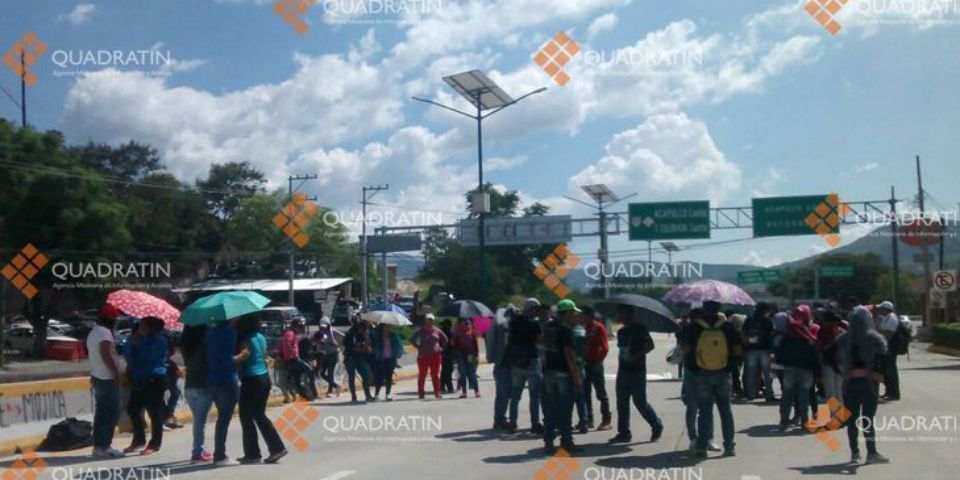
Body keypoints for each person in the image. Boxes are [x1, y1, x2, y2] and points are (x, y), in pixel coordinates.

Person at [681, 301, 742, 458]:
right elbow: (738, 349)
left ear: (704, 310)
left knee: (705, 410)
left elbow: (686, 349)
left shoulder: (695, 326)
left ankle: (702, 446)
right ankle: (729, 446)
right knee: (725, 410)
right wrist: (729, 364)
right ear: (718, 309)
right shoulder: (727, 326)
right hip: (723, 373)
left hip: (702, 373)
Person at [832, 306, 890, 464]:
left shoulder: (843, 338)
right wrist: (880, 374)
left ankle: (854, 453)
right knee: (868, 419)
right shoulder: (874, 337)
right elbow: (885, 355)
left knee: (852, 420)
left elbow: (830, 354)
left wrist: (840, 370)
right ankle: (871, 452)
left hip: (849, 382)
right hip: (869, 382)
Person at [235, 316, 288, 464]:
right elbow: (264, 356)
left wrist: (231, 359)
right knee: (259, 414)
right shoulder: (260, 337)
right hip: (264, 378)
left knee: (246, 416)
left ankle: (253, 454)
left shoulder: (244, 339)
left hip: (251, 379)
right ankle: (276, 448)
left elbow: (244, 357)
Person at [608, 305, 663, 444]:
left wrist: (637, 355)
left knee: (640, 402)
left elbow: (651, 346)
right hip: (623, 370)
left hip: (637, 371)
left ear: (629, 314)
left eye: (621, 313)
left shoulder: (640, 329)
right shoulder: (621, 332)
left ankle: (656, 425)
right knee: (622, 403)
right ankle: (624, 432)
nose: (619, 316)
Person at [540, 299, 583, 454]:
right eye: (573, 313)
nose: (574, 316)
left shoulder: (547, 327)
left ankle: (548, 441)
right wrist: (577, 378)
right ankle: (566, 441)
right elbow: (569, 355)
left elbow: (541, 343)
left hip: (548, 372)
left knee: (550, 409)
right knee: (565, 410)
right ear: (567, 313)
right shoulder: (566, 330)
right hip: (563, 374)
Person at [123, 317, 169, 455]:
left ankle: (155, 443)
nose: (140, 328)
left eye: (143, 326)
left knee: (154, 413)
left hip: (154, 378)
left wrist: (139, 344)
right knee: (132, 409)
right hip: (138, 378)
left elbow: (148, 356)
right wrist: (132, 342)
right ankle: (139, 439)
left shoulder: (159, 340)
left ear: (151, 328)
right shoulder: (137, 339)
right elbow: (128, 355)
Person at [775, 305, 821, 430]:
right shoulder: (809, 337)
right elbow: (814, 355)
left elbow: (779, 354)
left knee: (787, 396)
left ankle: (784, 421)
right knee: (804, 397)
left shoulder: (787, 337)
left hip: (789, 369)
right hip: (806, 370)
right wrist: (817, 371)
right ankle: (805, 422)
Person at [88, 305, 124, 458]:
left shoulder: (93, 332)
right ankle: (104, 446)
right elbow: (105, 355)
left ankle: (98, 446)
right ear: (110, 319)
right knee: (111, 413)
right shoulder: (105, 333)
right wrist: (115, 373)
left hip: (97, 376)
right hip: (107, 377)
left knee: (101, 413)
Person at [506, 298, 545, 434]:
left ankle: (513, 422)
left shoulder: (514, 322)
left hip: (516, 362)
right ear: (532, 309)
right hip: (532, 361)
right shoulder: (534, 323)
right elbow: (540, 340)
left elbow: (510, 339)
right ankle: (535, 423)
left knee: (515, 395)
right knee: (534, 395)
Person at [205, 319, 240, 466]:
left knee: (222, 418)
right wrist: (240, 356)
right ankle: (219, 454)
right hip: (227, 378)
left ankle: (219, 452)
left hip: (213, 378)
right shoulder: (230, 334)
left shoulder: (209, 334)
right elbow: (227, 359)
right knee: (224, 418)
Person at [181, 324, 213, 464]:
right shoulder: (206, 347)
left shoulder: (187, 349)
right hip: (203, 385)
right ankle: (197, 452)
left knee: (198, 421)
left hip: (189, 386)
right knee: (200, 422)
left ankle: (201, 449)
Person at [581, 306, 611, 431]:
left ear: (589, 316)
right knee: (585, 393)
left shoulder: (598, 327)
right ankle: (589, 419)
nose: (581, 318)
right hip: (584, 364)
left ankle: (606, 420)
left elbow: (604, 347)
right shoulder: (582, 328)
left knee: (601, 394)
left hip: (596, 364)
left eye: (583, 315)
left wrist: (599, 362)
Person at [487, 306, 514, 431]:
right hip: (504, 365)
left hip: (501, 364)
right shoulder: (504, 327)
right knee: (503, 394)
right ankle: (500, 420)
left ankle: (500, 419)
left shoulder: (498, 325)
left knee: (503, 394)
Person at [742, 303, 776, 402]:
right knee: (767, 374)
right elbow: (771, 335)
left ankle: (751, 394)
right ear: (765, 310)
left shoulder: (749, 320)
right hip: (765, 349)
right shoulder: (767, 320)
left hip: (751, 349)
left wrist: (747, 344)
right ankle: (769, 394)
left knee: (751, 373)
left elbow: (743, 333)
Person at [411, 314, 448, 399]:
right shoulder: (421, 331)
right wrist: (418, 347)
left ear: (433, 321)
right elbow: (412, 339)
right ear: (425, 320)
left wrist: (441, 348)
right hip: (423, 356)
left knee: (435, 375)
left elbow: (445, 339)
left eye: (431, 320)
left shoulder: (437, 330)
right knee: (422, 374)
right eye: (428, 320)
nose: (429, 322)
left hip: (435, 356)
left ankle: (437, 392)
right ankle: (421, 392)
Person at [816, 308, 845, 404]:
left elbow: (819, 347)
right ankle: (841, 417)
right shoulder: (842, 330)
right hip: (841, 363)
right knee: (839, 391)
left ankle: (835, 416)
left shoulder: (823, 330)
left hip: (828, 363)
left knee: (830, 392)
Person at [875, 301, 901, 401]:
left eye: (882, 308)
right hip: (885, 347)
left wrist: (879, 332)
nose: (880, 310)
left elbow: (890, 333)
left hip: (890, 348)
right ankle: (888, 391)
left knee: (890, 371)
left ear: (886, 309)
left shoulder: (892, 318)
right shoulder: (885, 318)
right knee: (886, 371)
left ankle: (893, 393)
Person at [343, 319, 374, 403]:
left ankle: (368, 395)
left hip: (359, 357)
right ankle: (353, 396)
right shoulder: (351, 335)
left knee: (366, 375)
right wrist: (362, 348)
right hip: (350, 358)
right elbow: (354, 348)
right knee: (351, 377)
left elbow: (363, 348)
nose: (364, 330)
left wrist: (367, 344)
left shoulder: (361, 335)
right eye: (363, 328)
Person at [281, 319, 312, 401]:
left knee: (297, 378)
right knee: (309, 370)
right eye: (299, 327)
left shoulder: (292, 333)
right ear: (294, 326)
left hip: (291, 359)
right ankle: (309, 394)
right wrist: (293, 353)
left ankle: (304, 396)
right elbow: (288, 343)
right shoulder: (290, 333)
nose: (300, 329)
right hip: (293, 358)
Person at [372, 323, 403, 401]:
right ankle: (377, 394)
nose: (388, 328)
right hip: (380, 359)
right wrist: (381, 340)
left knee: (389, 377)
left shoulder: (393, 336)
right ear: (383, 327)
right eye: (386, 326)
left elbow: (399, 345)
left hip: (391, 358)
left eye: (389, 326)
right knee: (379, 377)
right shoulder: (378, 336)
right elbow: (374, 345)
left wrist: (398, 354)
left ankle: (388, 394)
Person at [452, 319, 481, 398]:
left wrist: (477, 356)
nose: (467, 326)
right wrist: (455, 357)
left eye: (468, 324)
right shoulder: (458, 334)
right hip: (461, 356)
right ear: (462, 326)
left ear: (471, 325)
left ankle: (477, 391)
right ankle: (464, 392)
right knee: (463, 374)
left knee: (472, 374)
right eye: (465, 324)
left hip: (471, 356)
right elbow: (454, 345)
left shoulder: (473, 334)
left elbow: (476, 346)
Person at [314, 319, 342, 397]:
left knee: (330, 373)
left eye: (325, 327)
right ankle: (336, 386)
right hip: (325, 355)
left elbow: (343, 338)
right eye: (322, 327)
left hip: (333, 354)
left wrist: (336, 343)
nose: (323, 328)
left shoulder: (333, 332)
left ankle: (329, 391)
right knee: (322, 373)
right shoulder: (319, 333)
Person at [162, 334, 185, 430]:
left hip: (167, 372)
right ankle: (167, 416)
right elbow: (166, 361)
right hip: (161, 373)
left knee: (175, 392)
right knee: (173, 392)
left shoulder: (167, 351)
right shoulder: (165, 349)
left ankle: (168, 415)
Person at [439, 319, 456, 394]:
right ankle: (450, 387)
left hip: (443, 354)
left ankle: (442, 385)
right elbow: (453, 344)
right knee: (448, 371)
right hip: (448, 354)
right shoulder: (450, 333)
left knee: (445, 370)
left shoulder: (440, 333)